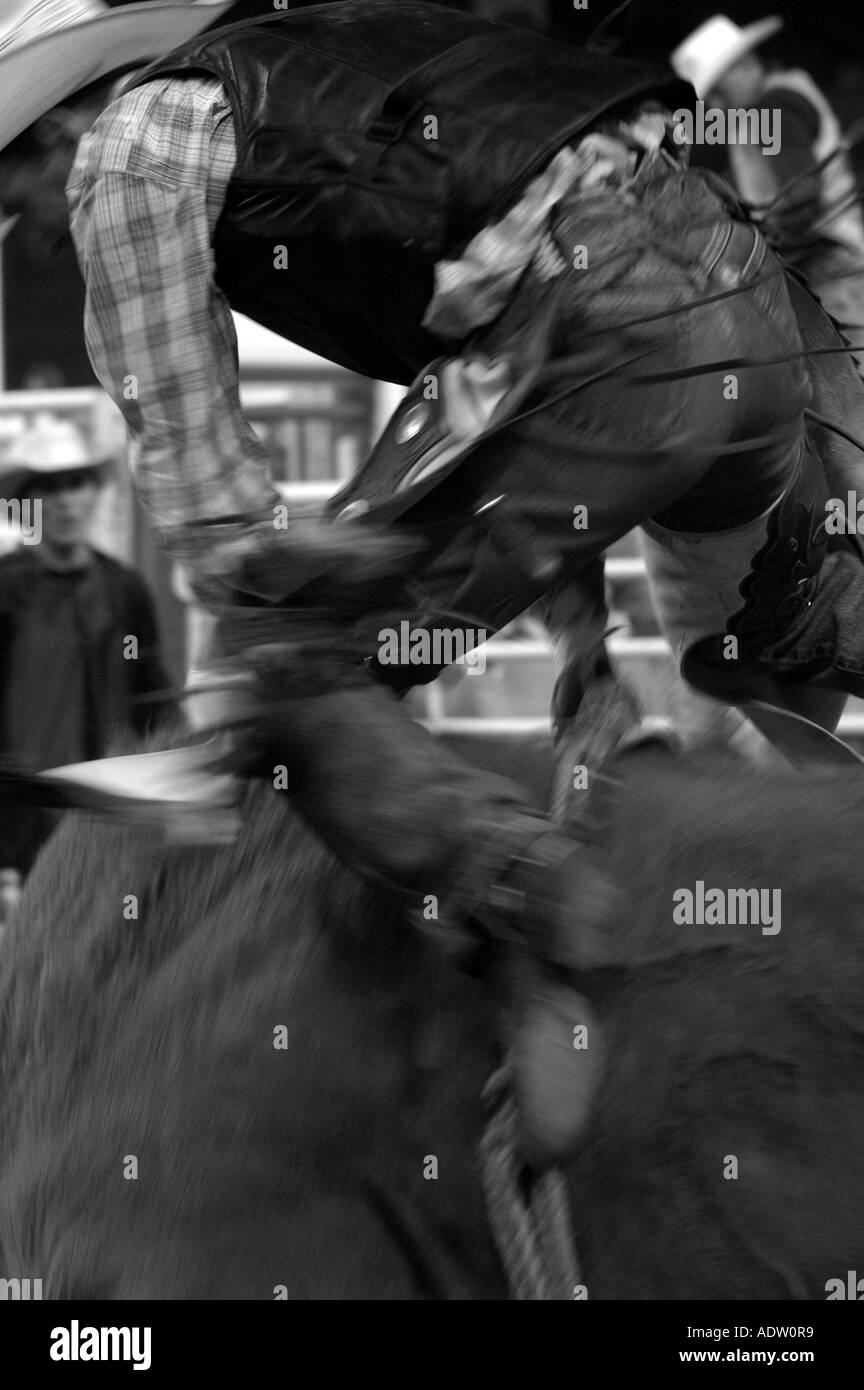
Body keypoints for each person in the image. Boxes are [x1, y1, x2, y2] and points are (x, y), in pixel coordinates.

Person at [4, 0, 864, 1166]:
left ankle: (538, 928)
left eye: (9, 187)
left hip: (609, 340)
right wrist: (576, 642)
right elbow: (514, 385)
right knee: (766, 649)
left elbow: (196, 456)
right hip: (745, 317)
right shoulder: (354, 71)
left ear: (53, 126)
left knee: (293, 686)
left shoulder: (130, 145)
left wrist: (263, 613)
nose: (17, 226)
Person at [0, 416, 176, 876]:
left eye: (76, 484)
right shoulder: (6, 591)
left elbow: (151, 694)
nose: (65, 502)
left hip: (110, 819)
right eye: (49, 488)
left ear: (94, 493)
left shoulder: (123, 590)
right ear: (25, 504)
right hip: (22, 828)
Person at [671, 13, 864, 361]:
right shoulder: (758, 112)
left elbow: (801, 196)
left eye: (717, 91)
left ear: (743, 67)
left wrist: (756, 241)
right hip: (821, 264)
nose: (714, 105)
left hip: (828, 265)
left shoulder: (776, 107)